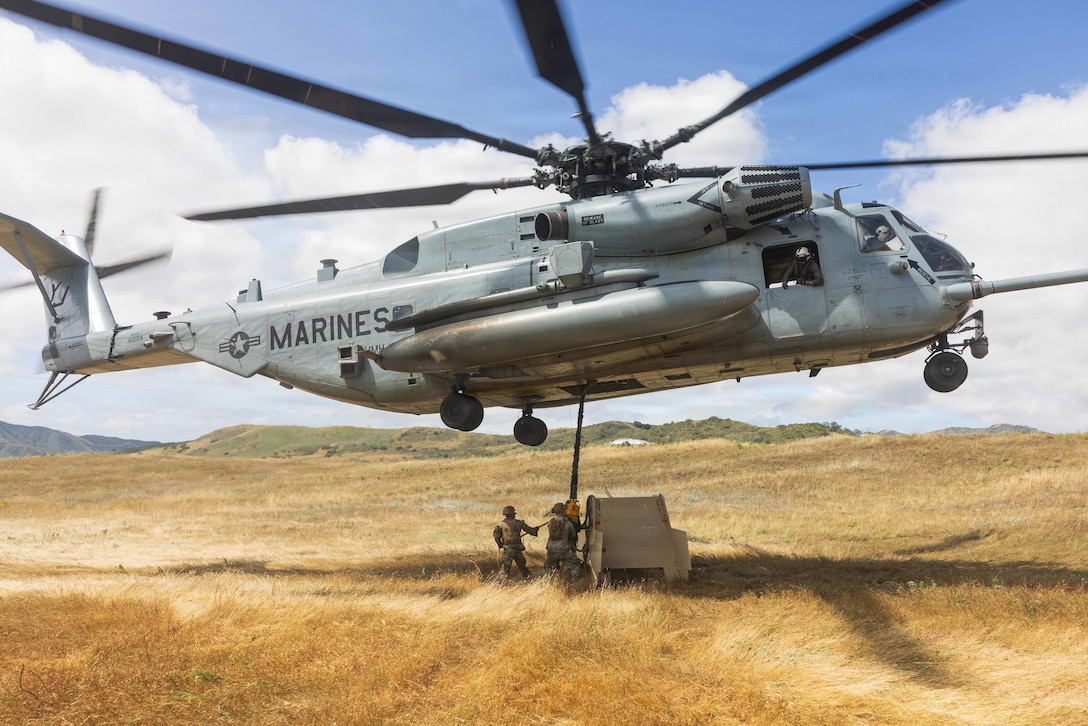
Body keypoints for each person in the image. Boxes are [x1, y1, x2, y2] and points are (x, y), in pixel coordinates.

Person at [493, 505, 539, 580]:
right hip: (517, 549)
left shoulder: (500, 525)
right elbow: (531, 531)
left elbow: (496, 537)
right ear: (513, 514)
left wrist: (500, 544)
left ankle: (503, 582)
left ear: (505, 514)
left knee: (505, 567)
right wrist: (536, 529)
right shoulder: (519, 523)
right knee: (522, 566)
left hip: (507, 549)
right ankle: (528, 579)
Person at [543, 502, 581, 582]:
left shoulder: (550, 522)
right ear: (563, 510)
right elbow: (573, 535)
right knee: (575, 565)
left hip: (551, 549)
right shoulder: (568, 524)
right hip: (564, 549)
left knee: (548, 566)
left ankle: (546, 582)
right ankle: (574, 583)